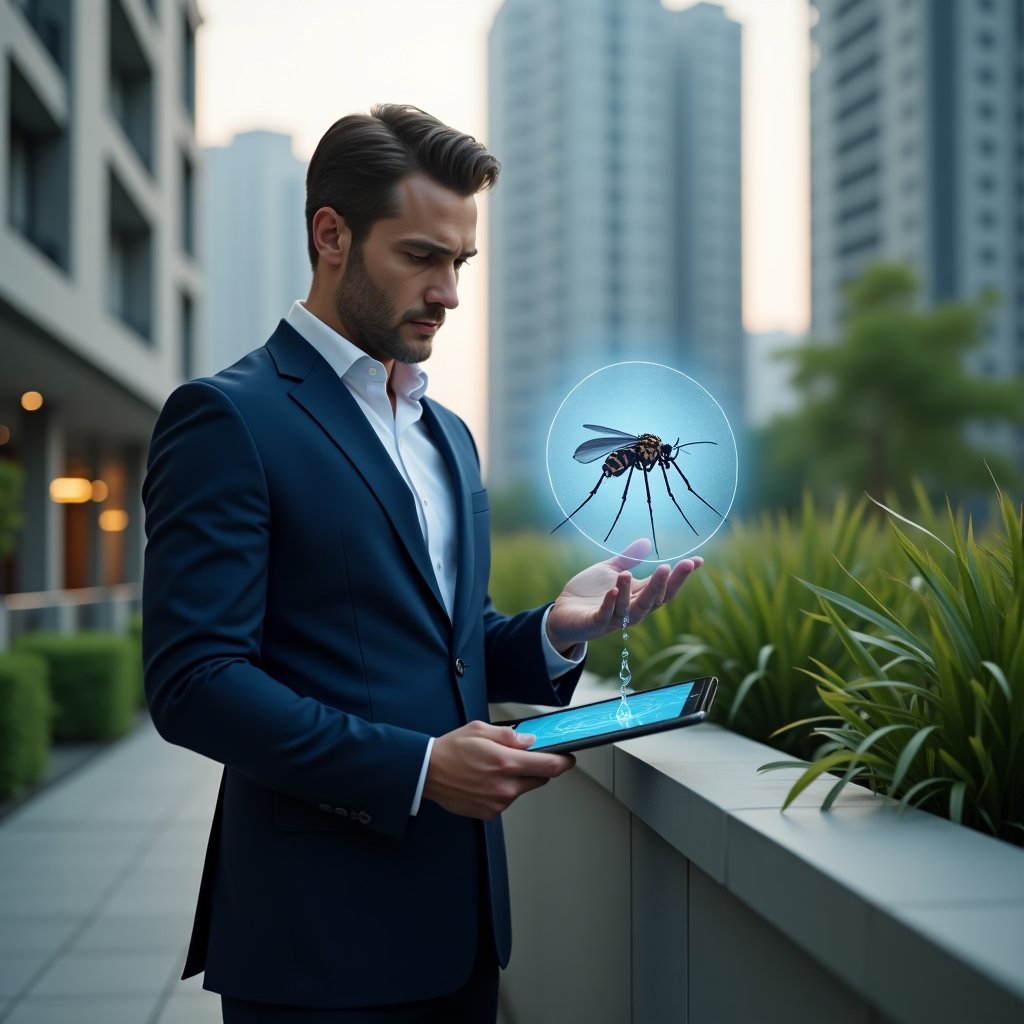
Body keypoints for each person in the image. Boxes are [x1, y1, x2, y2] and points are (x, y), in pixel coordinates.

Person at [142, 103, 703, 1023]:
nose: (448, 292)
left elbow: (447, 643)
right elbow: (194, 683)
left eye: (461, 262)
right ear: (332, 236)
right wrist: (417, 768)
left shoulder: (448, 433)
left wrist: (556, 632)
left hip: (463, 929)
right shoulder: (228, 418)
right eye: (421, 257)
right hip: (315, 946)